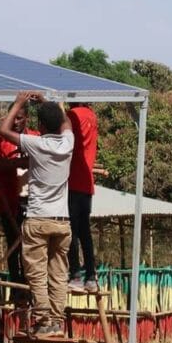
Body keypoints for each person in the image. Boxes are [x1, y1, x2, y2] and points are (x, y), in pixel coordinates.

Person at [0, 91, 74, 338]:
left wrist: (19, 102)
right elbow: (67, 124)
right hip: (63, 222)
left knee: (36, 272)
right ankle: (57, 322)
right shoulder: (67, 144)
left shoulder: (36, 144)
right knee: (59, 274)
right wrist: (47, 104)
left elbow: (4, 131)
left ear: (39, 126)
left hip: (38, 219)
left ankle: (42, 321)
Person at [0, 102, 38, 290]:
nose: (16, 122)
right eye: (13, 117)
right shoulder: (1, 140)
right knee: (13, 246)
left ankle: (33, 284)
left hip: (33, 199)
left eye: (20, 118)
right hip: (9, 201)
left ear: (27, 118)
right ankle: (16, 286)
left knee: (32, 245)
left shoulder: (36, 137)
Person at [66, 102, 99, 293]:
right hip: (86, 182)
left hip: (72, 180)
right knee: (85, 231)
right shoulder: (92, 116)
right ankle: (91, 276)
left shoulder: (71, 115)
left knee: (71, 231)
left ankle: (75, 274)